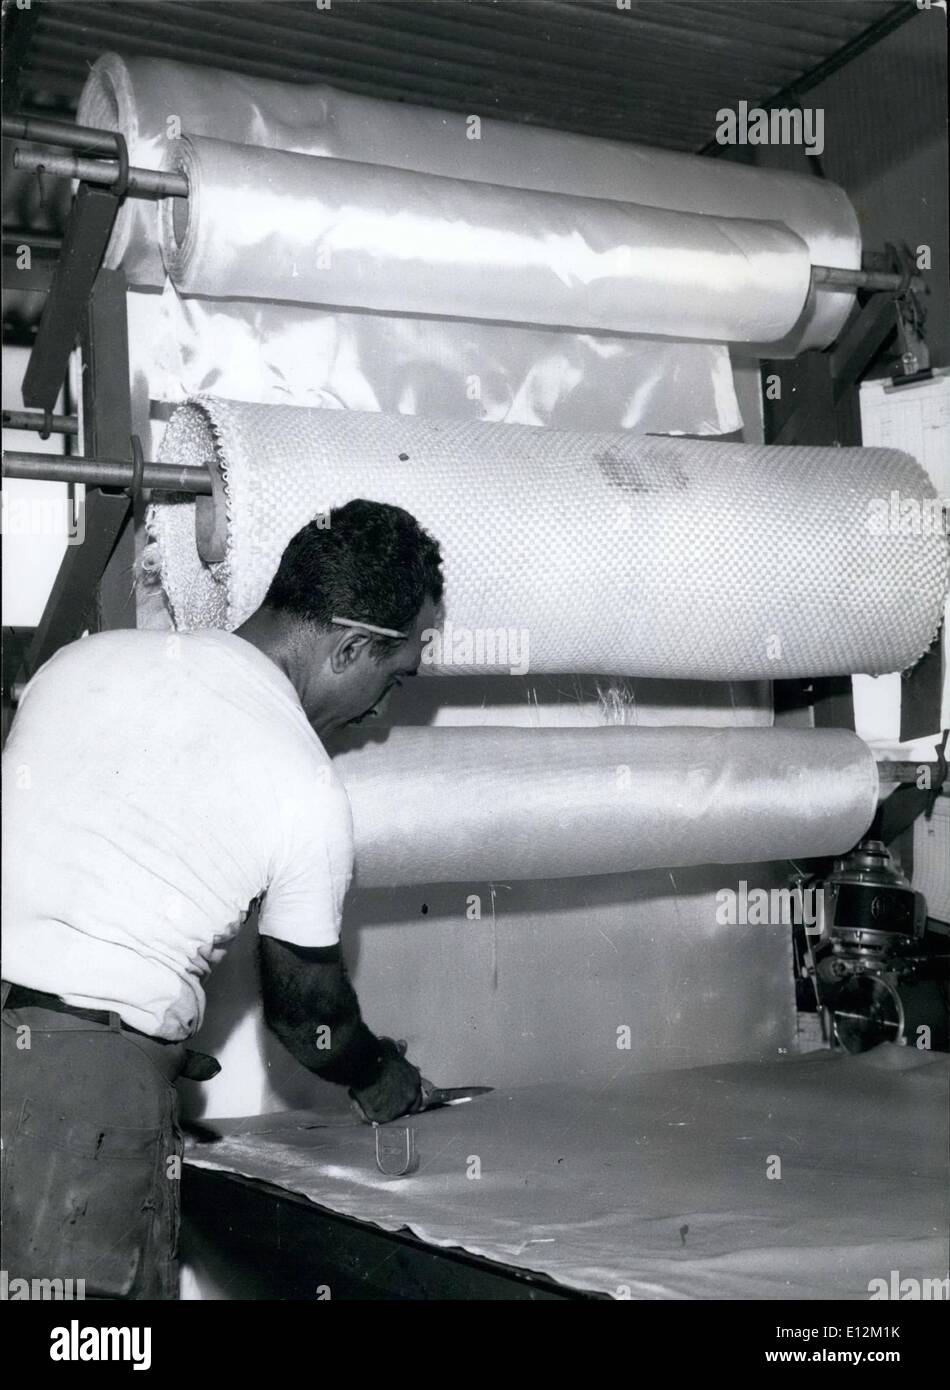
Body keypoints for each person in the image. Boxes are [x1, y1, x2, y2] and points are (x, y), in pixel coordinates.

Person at [1, 497, 444, 1299]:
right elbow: (308, 1020)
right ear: (350, 647)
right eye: (392, 679)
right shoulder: (303, 784)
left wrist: (149, 1024)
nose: (380, 710)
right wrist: (379, 1073)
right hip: (74, 1102)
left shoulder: (80, 663)